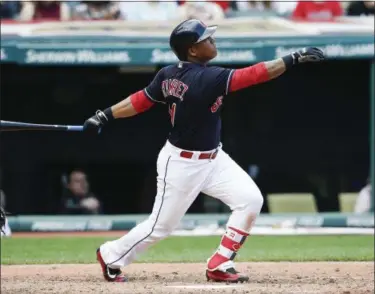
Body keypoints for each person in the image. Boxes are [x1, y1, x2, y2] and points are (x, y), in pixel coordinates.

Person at [83, 19, 325, 283]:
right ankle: (111, 255)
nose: (213, 42)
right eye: (206, 40)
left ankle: (220, 263)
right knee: (160, 227)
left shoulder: (169, 74)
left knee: (250, 199)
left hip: (213, 158)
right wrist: (293, 58)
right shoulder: (207, 77)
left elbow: (140, 101)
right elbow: (256, 74)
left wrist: (104, 115)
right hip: (181, 164)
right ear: (193, 50)